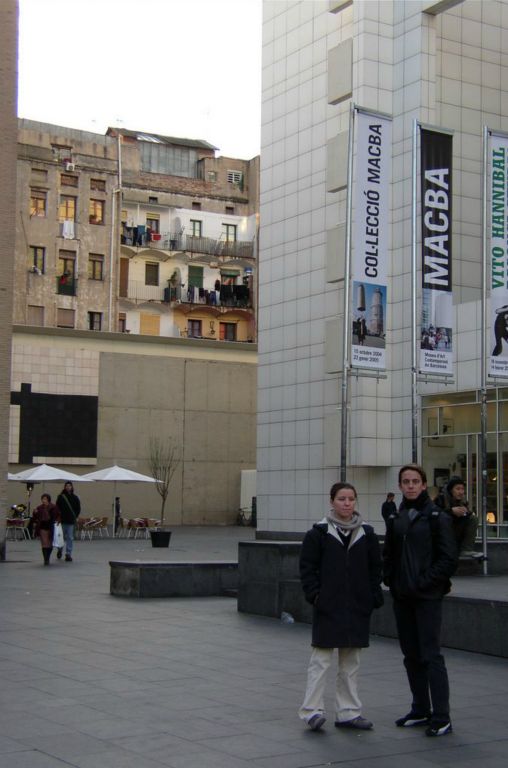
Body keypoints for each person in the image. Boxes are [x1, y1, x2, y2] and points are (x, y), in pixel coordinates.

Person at [298, 482, 383, 732]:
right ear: (332, 501)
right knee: (320, 660)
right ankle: (311, 711)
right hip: (328, 606)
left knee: (351, 662)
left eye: (351, 499)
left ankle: (348, 712)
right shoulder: (319, 533)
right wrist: (315, 596)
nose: (347, 503)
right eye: (342, 499)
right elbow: (307, 567)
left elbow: (375, 568)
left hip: (356, 606)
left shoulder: (366, 533)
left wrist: (372, 596)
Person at [383, 463, 458, 738]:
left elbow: (448, 558)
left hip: (427, 596)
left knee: (431, 656)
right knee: (411, 655)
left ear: (424, 485)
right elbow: (389, 553)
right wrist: (391, 579)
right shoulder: (397, 517)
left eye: (416, 481)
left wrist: (425, 582)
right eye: (406, 481)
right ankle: (420, 709)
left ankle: (441, 716)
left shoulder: (437, 516)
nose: (411, 485)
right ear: (401, 486)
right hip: (403, 597)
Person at [435, 476, 480, 559]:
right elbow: (434, 515)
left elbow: (467, 519)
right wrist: (451, 511)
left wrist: (466, 513)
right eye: (458, 489)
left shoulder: (463, 502)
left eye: (462, 489)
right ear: (451, 490)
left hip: (457, 536)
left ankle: (466, 549)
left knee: (473, 519)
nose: (461, 492)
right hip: (442, 538)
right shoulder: (440, 499)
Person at [56, 481, 81, 562]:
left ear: (72, 487)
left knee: (70, 537)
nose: (68, 487)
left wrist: (75, 516)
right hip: (62, 521)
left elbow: (78, 508)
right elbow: (57, 508)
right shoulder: (61, 497)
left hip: (71, 521)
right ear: (64, 487)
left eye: (69, 486)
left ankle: (68, 554)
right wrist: (58, 517)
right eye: (66, 486)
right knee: (61, 537)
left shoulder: (75, 497)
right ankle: (60, 549)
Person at [32, 493, 59, 566]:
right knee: (44, 544)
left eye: (45, 499)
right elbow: (35, 517)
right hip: (42, 527)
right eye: (43, 499)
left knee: (50, 544)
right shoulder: (39, 507)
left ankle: (48, 556)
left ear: (48, 500)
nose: (44, 500)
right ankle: (46, 559)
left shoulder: (53, 507)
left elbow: (56, 516)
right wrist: (34, 513)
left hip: (50, 527)